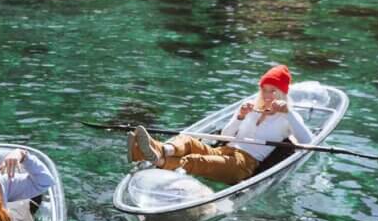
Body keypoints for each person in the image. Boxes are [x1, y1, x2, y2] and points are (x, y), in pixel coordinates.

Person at [127, 64, 314, 185]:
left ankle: (158, 160)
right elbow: (226, 134)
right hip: (226, 150)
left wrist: (288, 112)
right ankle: (156, 150)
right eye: (264, 90)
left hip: (243, 164)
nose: (267, 96)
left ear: (282, 92)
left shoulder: (287, 117)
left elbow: (309, 141)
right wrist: (239, 116)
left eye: (273, 91)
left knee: (195, 161)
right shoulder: (253, 108)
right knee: (187, 140)